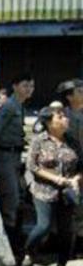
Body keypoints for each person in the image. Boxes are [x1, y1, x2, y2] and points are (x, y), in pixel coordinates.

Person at [22, 103, 80, 266]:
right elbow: (32, 165)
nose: (65, 119)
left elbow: (81, 165)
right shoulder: (39, 140)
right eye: (60, 117)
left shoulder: (72, 141)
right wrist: (55, 178)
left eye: (64, 116)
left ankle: (62, 264)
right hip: (43, 190)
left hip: (68, 192)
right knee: (44, 225)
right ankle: (28, 253)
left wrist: (76, 179)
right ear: (49, 122)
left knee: (67, 230)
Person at [0, 73, 34, 266]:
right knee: (10, 201)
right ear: (15, 86)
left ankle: (14, 250)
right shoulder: (8, 106)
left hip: (14, 157)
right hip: (4, 156)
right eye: (25, 85)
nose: (29, 89)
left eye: (31, 86)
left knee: (17, 201)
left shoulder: (19, 107)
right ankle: (8, 252)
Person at [57, 78, 83, 255]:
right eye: (80, 91)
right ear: (69, 96)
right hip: (68, 167)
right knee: (68, 208)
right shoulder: (61, 116)